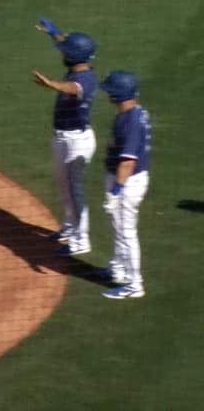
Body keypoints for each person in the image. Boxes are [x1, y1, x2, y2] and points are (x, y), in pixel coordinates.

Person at [31, 17, 97, 256]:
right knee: (63, 186)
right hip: (64, 139)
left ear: (73, 57)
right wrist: (55, 33)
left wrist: (51, 84)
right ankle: (69, 228)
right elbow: (70, 47)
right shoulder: (77, 65)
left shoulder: (86, 80)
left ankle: (81, 241)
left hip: (76, 143)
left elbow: (73, 89)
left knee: (74, 189)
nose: (62, 54)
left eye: (65, 51)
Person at [98, 70, 151, 299]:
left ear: (118, 94)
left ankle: (133, 285)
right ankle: (117, 268)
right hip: (128, 180)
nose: (107, 93)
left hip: (127, 182)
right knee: (118, 228)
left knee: (125, 232)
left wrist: (116, 191)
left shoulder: (130, 121)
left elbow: (128, 161)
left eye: (110, 90)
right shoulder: (134, 112)